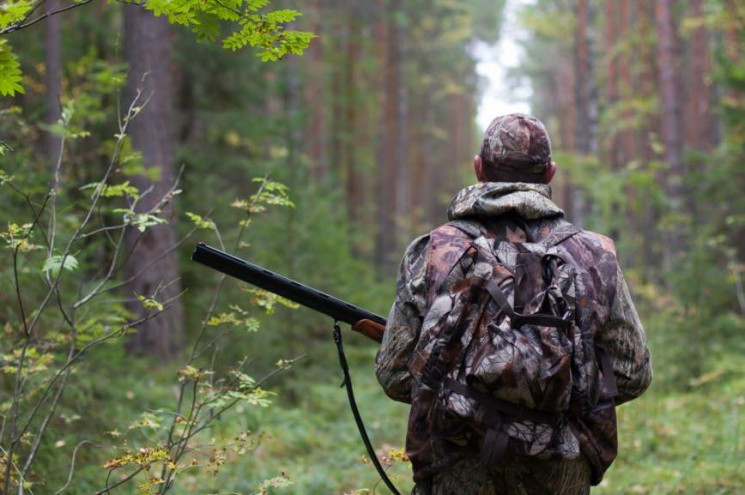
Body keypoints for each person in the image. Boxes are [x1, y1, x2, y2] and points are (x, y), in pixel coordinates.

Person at [375, 113, 652, 495]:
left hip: (457, 462)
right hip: (561, 466)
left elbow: (395, 374)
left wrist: (467, 399)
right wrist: (554, 400)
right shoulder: (593, 254)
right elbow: (632, 372)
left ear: (479, 169)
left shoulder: (436, 251)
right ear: (550, 173)